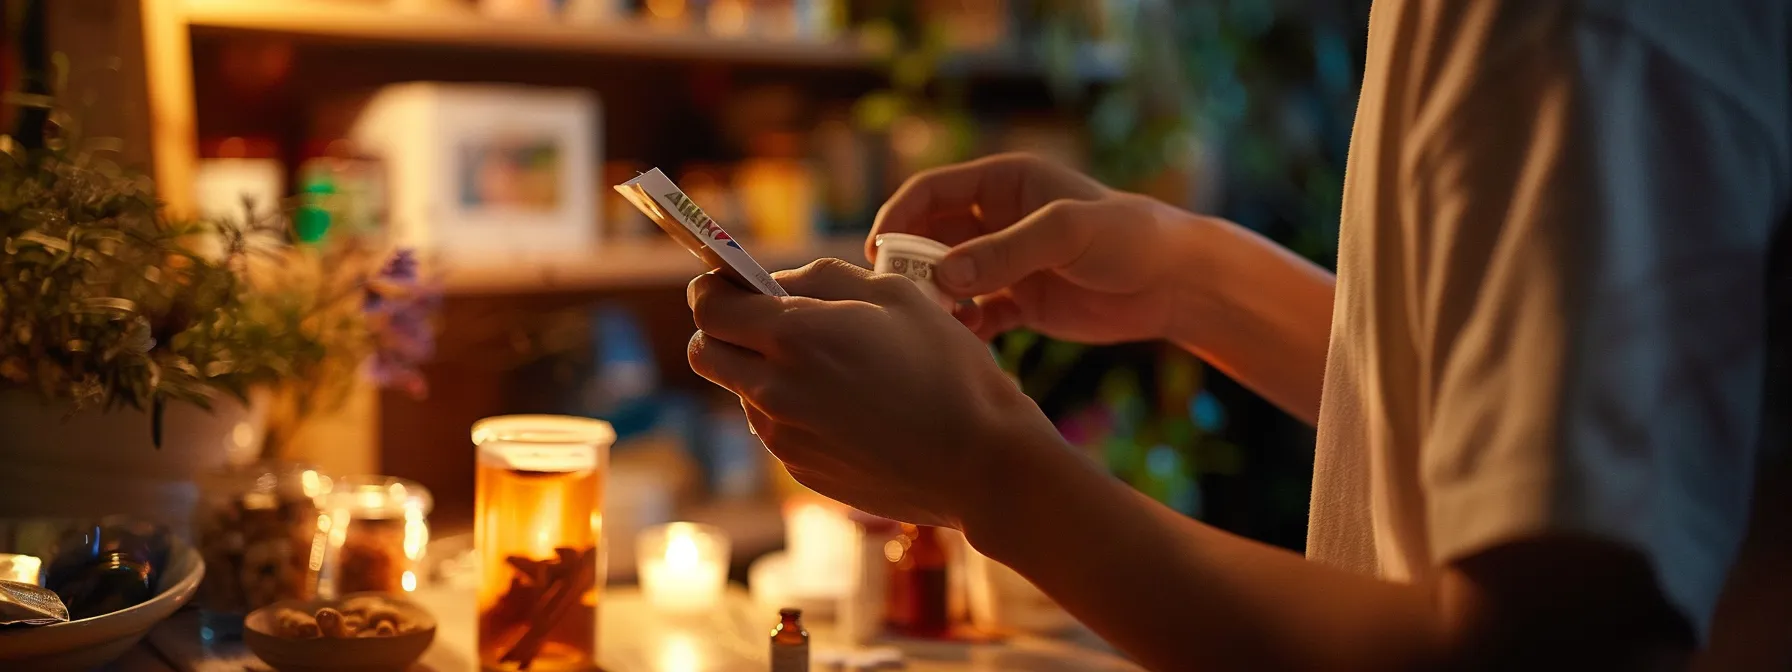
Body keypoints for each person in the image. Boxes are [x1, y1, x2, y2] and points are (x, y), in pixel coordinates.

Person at [686, 1, 1790, 669]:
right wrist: (1193, 281)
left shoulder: (1563, 30)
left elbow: (1542, 652)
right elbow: (1546, 420)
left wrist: (986, 467)